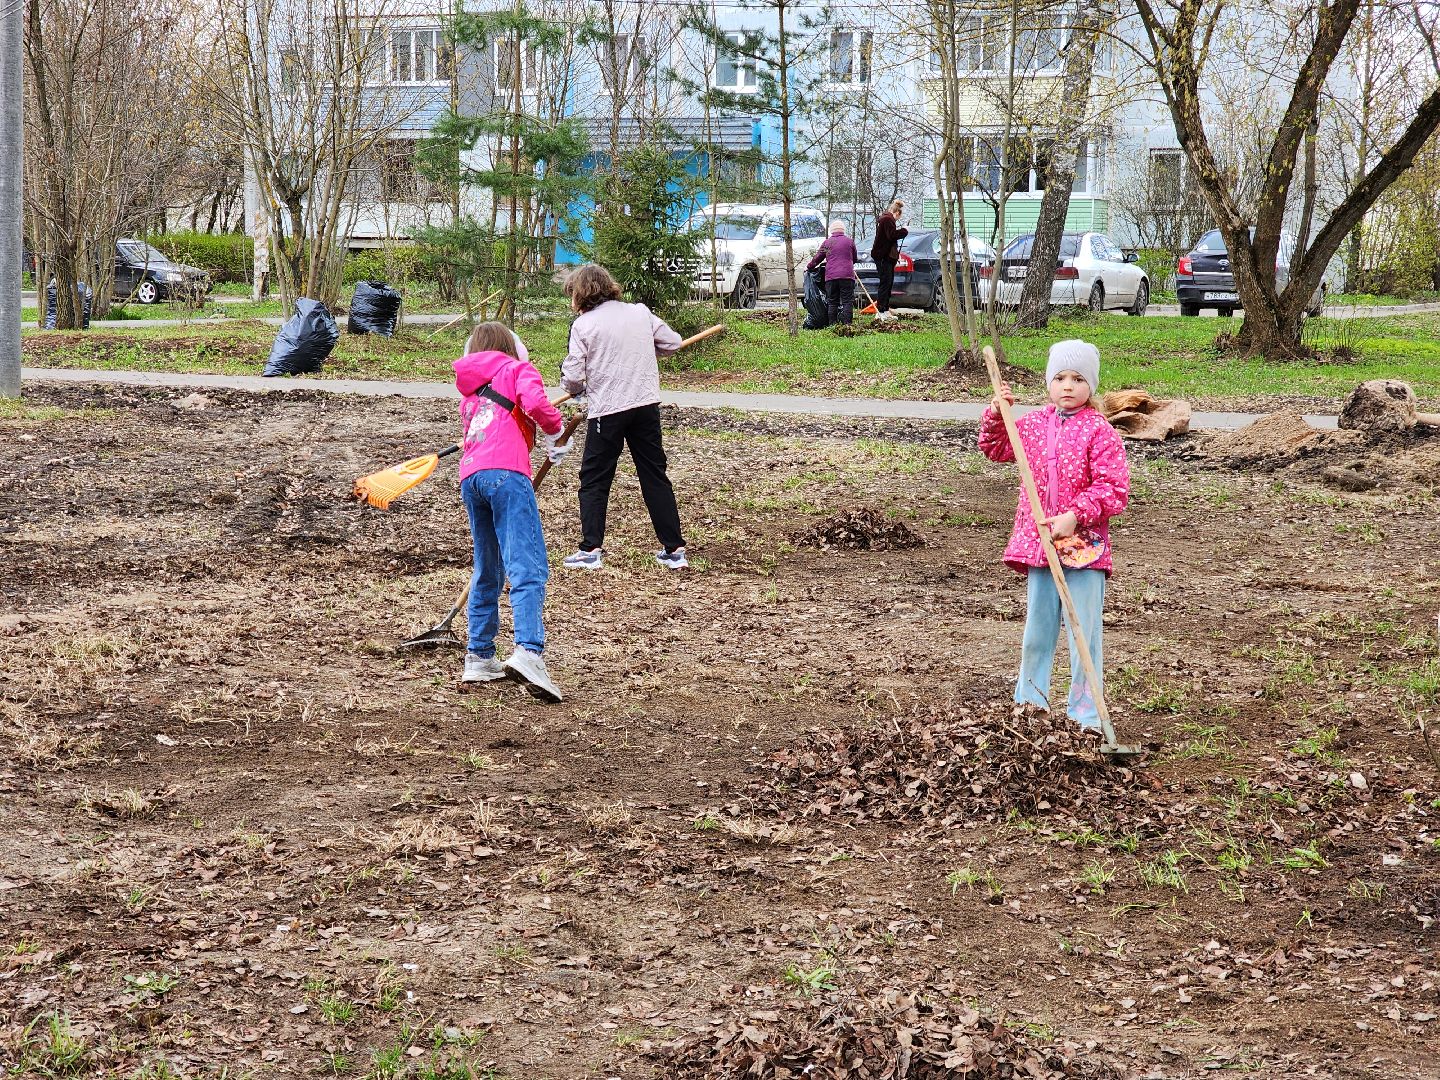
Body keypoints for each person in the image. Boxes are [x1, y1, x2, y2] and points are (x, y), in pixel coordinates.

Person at [978, 340, 1129, 730]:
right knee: (1037, 632)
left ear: (1091, 386)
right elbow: (995, 449)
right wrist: (997, 414)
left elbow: (1114, 489)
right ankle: (1030, 708)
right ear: (1049, 381)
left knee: (1084, 635)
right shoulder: (1030, 425)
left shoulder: (1100, 431)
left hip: (1083, 547)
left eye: (1078, 379)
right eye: (1060, 377)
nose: (1067, 386)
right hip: (1039, 546)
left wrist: (1075, 516)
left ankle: (1086, 716)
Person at [453, 321, 572, 702]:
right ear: (511, 347)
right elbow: (537, 405)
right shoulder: (518, 369)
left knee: (488, 566)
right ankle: (529, 652)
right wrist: (555, 434)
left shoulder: (471, 388)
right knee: (528, 564)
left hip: (472, 480)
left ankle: (479, 656)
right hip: (507, 476)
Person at [559, 263, 689, 571]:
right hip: (645, 406)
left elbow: (574, 376)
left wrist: (573, 388)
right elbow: (673, 342)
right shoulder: (639, 313)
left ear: (581, 293)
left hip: (609, 409)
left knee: (594, 478)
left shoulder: (584, 326)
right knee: (654, 474)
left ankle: (590, 550)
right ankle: (674, 549)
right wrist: (641, 350)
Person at [807, 220, 858, 327]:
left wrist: (809, 267)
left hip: (831, 277)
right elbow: (854, 258)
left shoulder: (828, 243)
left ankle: (832, 325)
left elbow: (818, 258)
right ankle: (847, 324)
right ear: (843, 230)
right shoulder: (849, 242)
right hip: (847, 276)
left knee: (832, 301)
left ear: (831, 231)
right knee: (847, 301)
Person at [870, 200, 908, 322]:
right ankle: (880, 311)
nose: (897, 220)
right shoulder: (887, 219)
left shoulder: (886, 219)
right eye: (899, 216)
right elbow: (891, 235)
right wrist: (904, 231)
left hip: (886, 257)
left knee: (888, 283)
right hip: (883, 257)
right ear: (897, 212)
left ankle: (885, 310)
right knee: (885, 283)